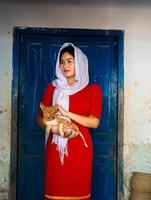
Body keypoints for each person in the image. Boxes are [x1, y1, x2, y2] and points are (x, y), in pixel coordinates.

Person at [37, 42, 102, 200]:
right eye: (62, 62)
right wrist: (49, 127)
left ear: (79, 63)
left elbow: (94, 122)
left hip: (79, 147)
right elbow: (40, 117)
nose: (65, 66)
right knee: (55, 190)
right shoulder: (53, 88)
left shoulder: (92, 90)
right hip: (55, 145)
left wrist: (67, 114)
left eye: (70, 61)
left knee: (77, 191)